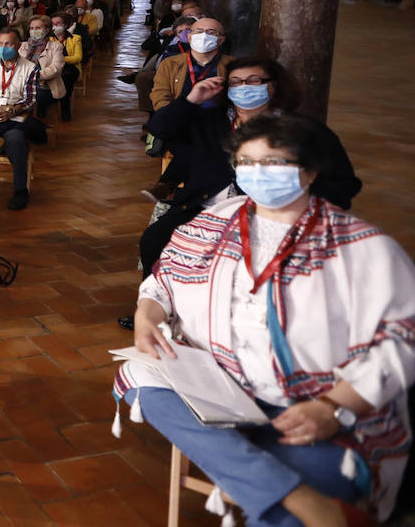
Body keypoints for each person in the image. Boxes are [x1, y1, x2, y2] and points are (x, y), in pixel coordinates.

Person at [115, 113, 415, 526]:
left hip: (313, 407)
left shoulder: (361, 246)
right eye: (247, 162)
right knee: (140, 377)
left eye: (273, 163)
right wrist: (148, 313)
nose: (258, 173)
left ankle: (275, 492)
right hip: (224, 389)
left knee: (281, 522)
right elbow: (164, 279)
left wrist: (331, 408)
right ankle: (298, 496)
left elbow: (403, 340)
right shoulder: (212, 223)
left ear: (309, 171)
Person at [136, 58, 360, 284]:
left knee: (251, 261)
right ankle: (157, 305)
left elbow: (343, 182)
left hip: (273, 213)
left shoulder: (302, 130)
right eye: (236, 82)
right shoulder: (211, 122)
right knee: (155, 239)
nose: (244, 87)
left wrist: (302, 208)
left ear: (273, 85)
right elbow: (160, 129)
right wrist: (192, 99)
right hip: (204, 208)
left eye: (253, 81)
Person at [0, 28, 43, 211]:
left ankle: (20, 190)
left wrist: (12, 111)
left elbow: (30, 99)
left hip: (14, 115)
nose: (4, 48)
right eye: (0, 44)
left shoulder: (30, 67)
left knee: (16, 141)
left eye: (9, 44)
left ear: (18, 45)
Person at [150, 16, 234, 110]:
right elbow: (160, 97)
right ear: (189, 38)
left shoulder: (233, 65)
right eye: (198, 31)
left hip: (217, 120)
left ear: (221, 40)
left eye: (211, 32)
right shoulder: (170, 64)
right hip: (179, 118)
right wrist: (172, 118)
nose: (204, 36)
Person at [21, 16, 68, 122]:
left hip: (46, 86)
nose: (34, 31)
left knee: (34, 97)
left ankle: (35, 124)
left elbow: (56, 68)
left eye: (38, 28)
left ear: (46, 30)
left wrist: (34, 75)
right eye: (32, 28)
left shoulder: (56, 46)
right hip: (23, 84)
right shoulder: (23, 46)